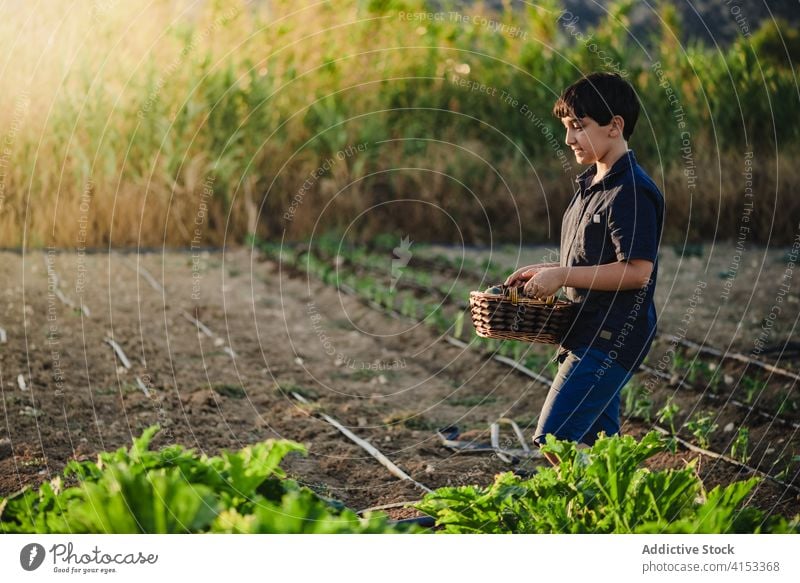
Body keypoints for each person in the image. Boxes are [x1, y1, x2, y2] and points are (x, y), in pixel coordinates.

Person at [504, 72, 665, 466]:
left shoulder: (631, 191)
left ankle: (588, 513)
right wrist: (549, 269)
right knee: (602, 451)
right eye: (566, 127)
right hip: (586, 330)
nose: (569, 139)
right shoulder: (591, 185)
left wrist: (562, 276)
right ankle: (613, 516)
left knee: (554, 437)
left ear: (615, 126)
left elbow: (636, 271)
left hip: (610, 336)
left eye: (579, 126)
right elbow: (591, 262)